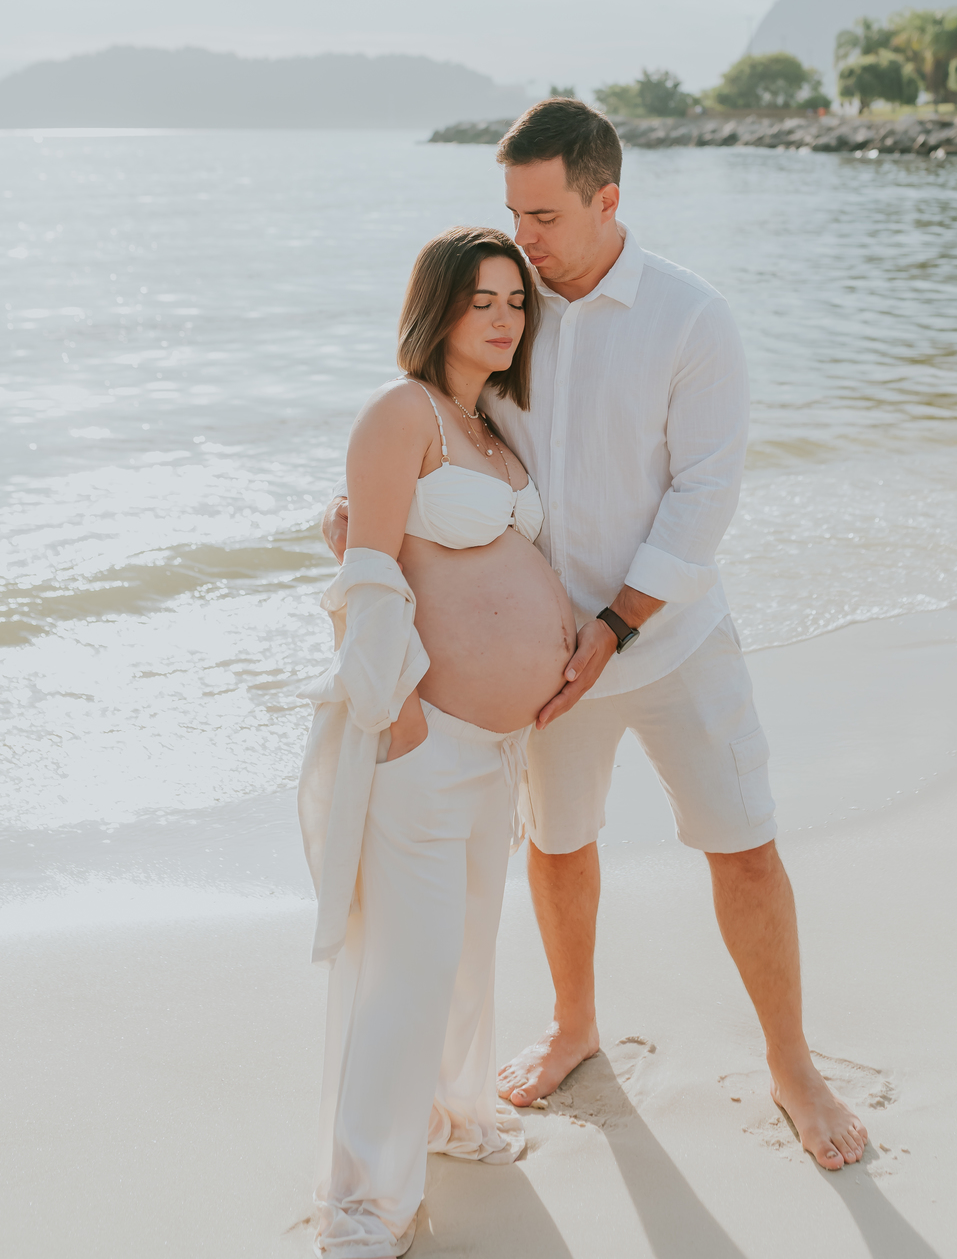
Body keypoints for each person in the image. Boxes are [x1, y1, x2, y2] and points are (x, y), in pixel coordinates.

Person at [324, 98, 868, 1172]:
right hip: (546, 678)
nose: (522, 237)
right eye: (512, 211)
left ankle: (791, 1060)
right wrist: (353, 524)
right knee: (561, 845)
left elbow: (706, 493)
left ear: (606, 198)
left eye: (543, 214)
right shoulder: (507, 318)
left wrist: (616, 626)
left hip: (667, 640)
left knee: (743, 843)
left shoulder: (689, 316)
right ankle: (576, 1022)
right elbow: (432, 436)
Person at [298, 225, 579, 1259]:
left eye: (515, 300)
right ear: (439, 309)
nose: (504, 316)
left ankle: (454, 1116)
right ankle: (364, 1205)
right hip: (421, 737)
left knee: (463, 956)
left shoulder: (496, 432)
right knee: (409, 971)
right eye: (483, 299)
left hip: (491, 752)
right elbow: (365, 575)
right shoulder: (399, 412)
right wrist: (404, 714)